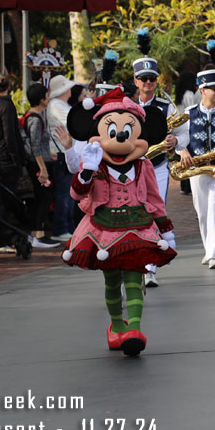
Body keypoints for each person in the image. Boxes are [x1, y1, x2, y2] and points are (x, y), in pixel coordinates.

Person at [61, 95, 177, 357]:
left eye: (128, 131)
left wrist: (166, 229)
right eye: (113, 131)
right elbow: (76, 194)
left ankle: (134, 328)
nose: (122, 138)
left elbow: (155, 199)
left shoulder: (143, 165)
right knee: (112, 279)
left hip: (137, 226)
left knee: (135, 275)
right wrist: (87, 172)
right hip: (103, 228)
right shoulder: (93, 163)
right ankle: (116, 326)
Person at [134, 31, 188, 286]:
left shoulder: (167, 107)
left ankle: (150, 267)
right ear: (136, 81)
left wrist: (175, 142)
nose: (148, 83)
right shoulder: (126, 105)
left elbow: (182, 134)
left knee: (155, 211)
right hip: (131, 168)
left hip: (158, 167)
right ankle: (135, 261)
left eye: (152, 79)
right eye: (144, 79)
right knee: (135, 212)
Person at [179, 61, 215, 269]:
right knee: (202, 210)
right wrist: (183, 151)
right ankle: (209, 248)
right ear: (202, 90)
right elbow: (179, 138)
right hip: (197, 168)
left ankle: (214, 253)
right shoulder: (190, 112)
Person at [22, 82, 57, 243]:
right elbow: (35, 145)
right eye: (47, 95)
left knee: (43, 197)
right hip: (37, 165)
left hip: (40, 162)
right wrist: (43, 168)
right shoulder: (35, 119)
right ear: (42, 99)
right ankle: (38, 234)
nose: (48, 98)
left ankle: (38, 233)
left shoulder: (33, 117)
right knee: (43, 197)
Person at [47, 75, 77, 242]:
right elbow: (72, 121)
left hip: (65, 152)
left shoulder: (61, 104)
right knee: (64, 193)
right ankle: (61, 227)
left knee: (68, 192)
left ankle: (68, 226)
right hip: (60, 153)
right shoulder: (57, 105)